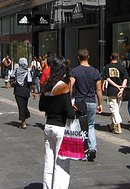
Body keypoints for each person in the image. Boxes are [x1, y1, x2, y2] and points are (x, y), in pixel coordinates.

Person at [39, 56, 75, 189]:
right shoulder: (64, 87)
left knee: (48, 162)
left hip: (48, 126)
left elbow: (41, 107)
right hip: (60, 128)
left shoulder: (47, 86)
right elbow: (69, 112)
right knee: (61, 163)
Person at [69, 49, 103, 161]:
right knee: (91, 125)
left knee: (80, 127)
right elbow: (99, 89)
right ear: (88, 57)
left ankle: (83, 150)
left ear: (78, 58)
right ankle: (93, 147)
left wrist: (69, 100)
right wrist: (100, 103)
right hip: (92, 102)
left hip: (80, 102)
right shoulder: (95, 72)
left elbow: (70, 87)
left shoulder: (74, 71)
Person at [104, 52, 128, 134]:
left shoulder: (107, 67)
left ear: (111, 57)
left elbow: (107, 78)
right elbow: (125, 79)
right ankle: (112, 125)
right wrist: (121, 89)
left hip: (112, 90)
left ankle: (119, 127)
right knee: (116, 109)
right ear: (118, 58)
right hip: (120, 91)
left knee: (114, 109)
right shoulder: (122, 67)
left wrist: (116, 86)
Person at [10, 58, 36, 129]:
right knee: (23, 106)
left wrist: (12, 83)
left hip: (18, 91)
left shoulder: (16, 70)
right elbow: (32, 83)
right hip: (26, 91)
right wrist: (34, 92)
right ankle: (25, 116)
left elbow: (11, 77)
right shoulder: (29, 71)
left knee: (21, 107)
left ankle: (23, 123)